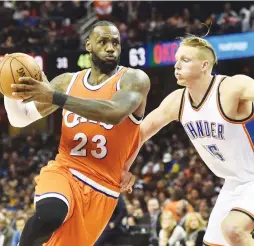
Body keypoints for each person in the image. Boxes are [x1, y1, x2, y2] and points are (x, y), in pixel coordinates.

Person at [4, 20, 150, 246]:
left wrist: (54, 97)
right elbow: (20, 118)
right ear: (88, 45)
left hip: (103, 188)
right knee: (49, 215)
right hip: (65, 170)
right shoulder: (66, 82)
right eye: (103, 42)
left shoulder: (134, 79)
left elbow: (113, 113)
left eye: (115, 43)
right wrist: (8, 89)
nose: (111, 47)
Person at [122, 36, 254, 246]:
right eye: (176, 59)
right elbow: (141, 131)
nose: (176, 64)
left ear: (204, 65)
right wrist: (125, 167)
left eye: (185, 59)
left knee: (234, 229)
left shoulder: (231, 88)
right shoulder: (177, 101)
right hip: (233, 181)